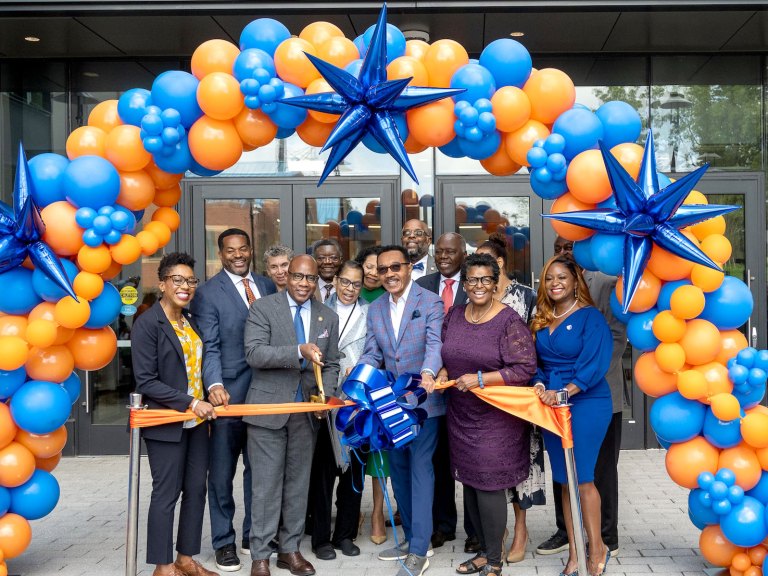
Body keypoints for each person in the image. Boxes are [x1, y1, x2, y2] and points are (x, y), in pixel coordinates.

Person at [437, 253, 537, 576]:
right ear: (464, 284)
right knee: (469, 481)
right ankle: (482, 551)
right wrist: (440, 373)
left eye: (485, 280)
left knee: (490, 485)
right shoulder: (454, 315)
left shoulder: (509, 321)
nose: (478, 286)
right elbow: (446, 352)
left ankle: (494, 561)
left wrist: (480, 379)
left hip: (497, 418)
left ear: (495, 284)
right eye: (472, 280)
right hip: (461, 414)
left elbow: (524, 368)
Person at [243, 255, 341, 576]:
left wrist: (322, 398)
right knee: (266, 486)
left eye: (310, 278)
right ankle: (260, 555)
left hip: (306, 416)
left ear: (317, 282)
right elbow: (255, 353)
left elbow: (331, 363)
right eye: (297, 276)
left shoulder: (327, 316)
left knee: (298, 485)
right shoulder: (263, 308)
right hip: (268, 412)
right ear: (286, 276)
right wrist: (298, 349)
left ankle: (290, 550)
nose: (303, 283)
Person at [191, 228, 277, 572]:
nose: (238, 255)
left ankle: (254, 536)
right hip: (228, 395)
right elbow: (209, 345)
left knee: (260, 472)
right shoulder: (208, 294)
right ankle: (224, 542)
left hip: (267, 393)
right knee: (222, 473)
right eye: (231, 250)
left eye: (243, 249)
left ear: (251, 250)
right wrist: (212, 383)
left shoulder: (267, 285)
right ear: (221, 253)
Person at [536, 237, 626, 559]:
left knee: (588, 475)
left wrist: (571, 387)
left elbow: (606, 349)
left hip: (587, 399)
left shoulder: (595, 306)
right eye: (549, 278)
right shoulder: (542, 314)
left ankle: (600, 544)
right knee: (563, 478)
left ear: (575, 279)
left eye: (562, 276)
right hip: (551, 405)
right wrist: (538, 385)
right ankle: (575, 551)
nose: (555, 282)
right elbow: (536, 362)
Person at [357, 245, 444, 576]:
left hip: (424, 403)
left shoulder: (430, 301)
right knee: (400, 472)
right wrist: (358, 381)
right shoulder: (375, 308)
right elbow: (372, 353)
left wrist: (427, 374)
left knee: (422, 471)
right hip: (388, 406)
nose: (389, 274)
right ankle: (410, 537)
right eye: (383, 269)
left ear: (409, 268)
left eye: (396, 267)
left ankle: (420, 549)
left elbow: (436, 344)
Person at [131, 252, 218, 576]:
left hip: (196, 424)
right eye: (178, 280)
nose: (186, 286)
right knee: (166, 493)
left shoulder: (190, 321)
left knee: (196, 489)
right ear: (163, 283)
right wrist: (192, 402)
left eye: (191, 281)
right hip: (166, 422)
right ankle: (163, 566)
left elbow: (196, 370)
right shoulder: (147, 323)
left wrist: (210, 393)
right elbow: (146, 381)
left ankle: (185, 558)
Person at [476, 234, 544, 563]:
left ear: (499, 264)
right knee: (492, 464)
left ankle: (520, 528)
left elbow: (534, 349)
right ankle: (496, 530)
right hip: (486, 396)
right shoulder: (477, 298)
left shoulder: (527, 297)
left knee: (521, 464)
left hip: (518, 395)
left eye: (484, 259)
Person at [307, 261, 370, 560]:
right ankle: (320, 538)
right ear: (335, 281)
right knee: (322, 473)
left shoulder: (370, 313)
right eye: (345, 282)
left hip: (357, 404)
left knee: (354, 472)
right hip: (324, 401)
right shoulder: (318, 309)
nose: (349, 289)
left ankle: (345, 533)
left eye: (356, 284)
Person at [416, 232, 468, 549]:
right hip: (432, 385)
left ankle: (477, 530)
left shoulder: (475, 282)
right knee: (436, 457)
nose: (444, 257)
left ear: (463, 253)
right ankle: (442, 524)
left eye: (451, 251)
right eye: (439, 252)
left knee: (468, 455)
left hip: (466, 384)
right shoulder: (421, 285)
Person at [313, 239, 343, 303]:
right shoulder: (307, 287)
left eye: (333, 258)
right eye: (321, 258)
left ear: (341, 260)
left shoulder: (348, 287)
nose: (327, 262)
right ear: (314, 261)